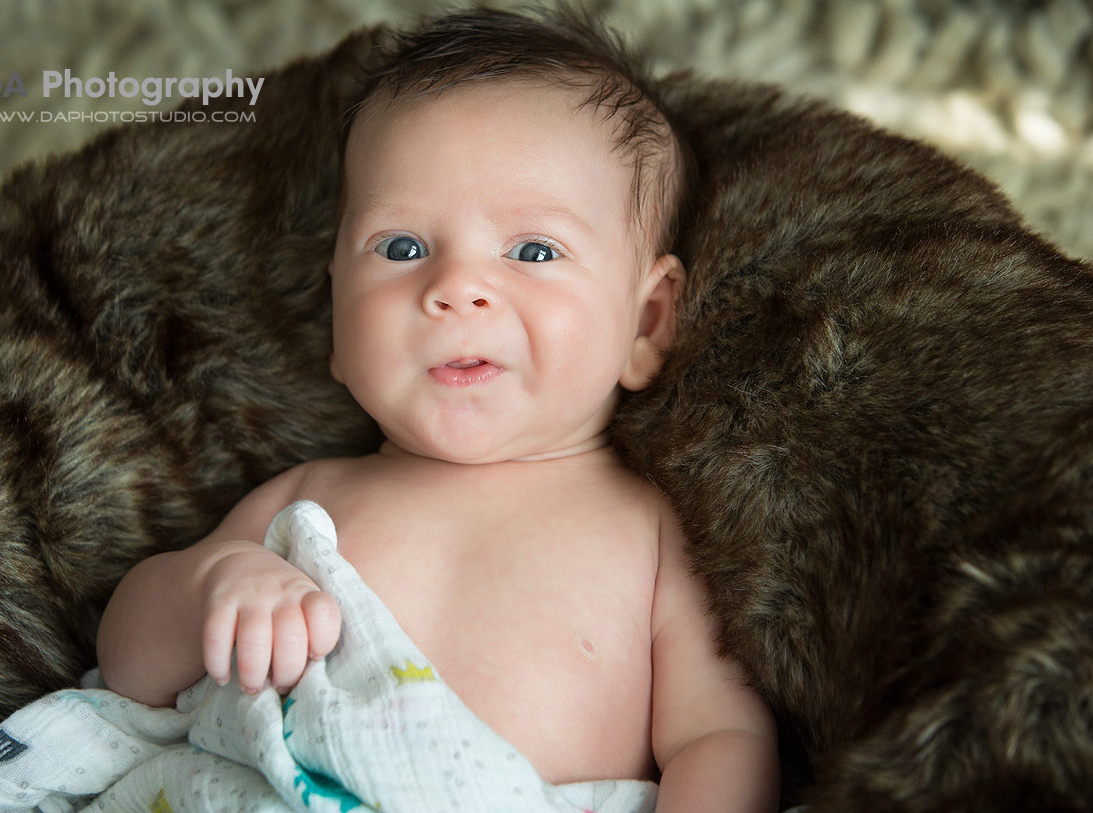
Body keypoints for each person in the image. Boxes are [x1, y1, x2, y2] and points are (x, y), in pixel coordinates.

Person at [97, 7, 779, 810]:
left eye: (533, 250)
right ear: (339, 322)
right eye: (402, 247)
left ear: (647, 322)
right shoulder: (307, 501)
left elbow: (719, 737)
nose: (454, 286)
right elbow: (126, 665)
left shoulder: (655, 533)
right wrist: (214, 584)